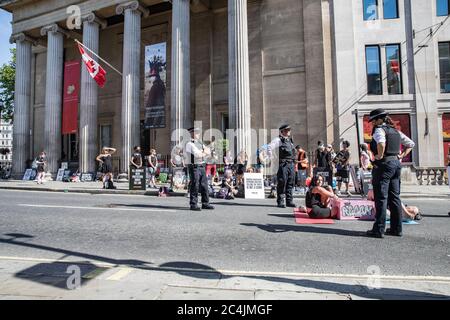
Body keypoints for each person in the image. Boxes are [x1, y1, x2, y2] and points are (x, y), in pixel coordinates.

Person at [366, 108, 415, 238]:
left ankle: (379, 229)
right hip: (396, 165)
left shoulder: (379, 130)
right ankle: (396, 228)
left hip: (384, 165)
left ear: (380, 119)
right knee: (395, 197)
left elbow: (381, 144)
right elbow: (411, 144)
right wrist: (401, 156)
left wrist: (379, 156)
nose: (372, 123)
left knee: (381, 197)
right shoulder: (395, 131)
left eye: (374, 120)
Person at [268, 124, 297, 208]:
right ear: (282, 131)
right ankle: (280, 201)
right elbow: (269, 147)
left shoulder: (290, 140)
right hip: (283, 164)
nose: (288, 131)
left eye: (289, 130)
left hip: (291, 164)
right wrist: (272, 157)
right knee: (282, 182)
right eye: (287, 130)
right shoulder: (278, 140)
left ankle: (289, 201)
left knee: (290, 182)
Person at [186, 127, 215, 211]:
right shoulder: (189, 144)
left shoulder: (200, 143)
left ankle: (205, 203)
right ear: (192, 133)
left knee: (204, 185)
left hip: (202, 166)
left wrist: (204, 152)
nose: (198, 134)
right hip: (194, 167)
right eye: (196, 132)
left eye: (198, 132)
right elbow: (198, 155)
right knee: (195, 185)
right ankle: (193, 204)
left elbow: (208, 152)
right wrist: (204, 152)